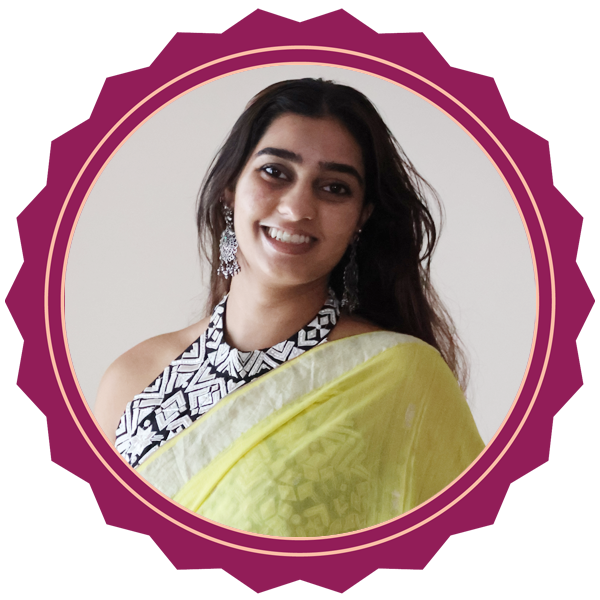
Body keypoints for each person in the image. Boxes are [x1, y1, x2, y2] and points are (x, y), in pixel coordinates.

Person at [85, 78, 516, 537]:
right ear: (231, 186)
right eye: (275, 172)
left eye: (334, 188)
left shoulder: (396, 376)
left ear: (362, 218)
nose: (296, 208)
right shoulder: (131, 380)